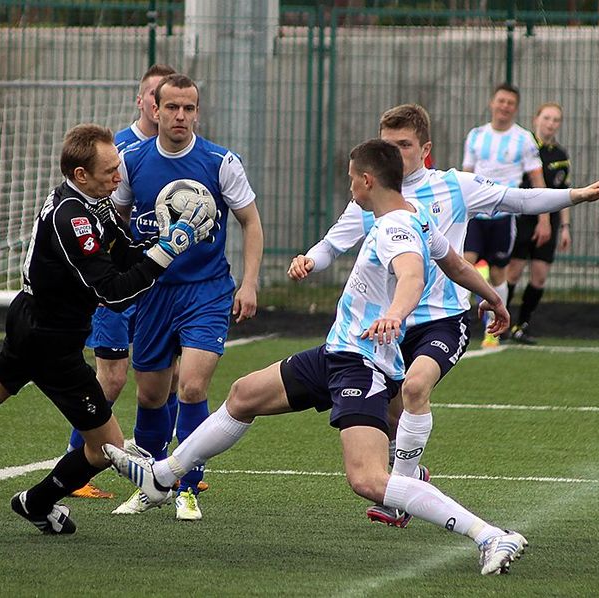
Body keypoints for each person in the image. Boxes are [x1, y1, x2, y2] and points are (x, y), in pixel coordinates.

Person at [103, 139, 527, 576]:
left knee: (368, 480)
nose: (349, 187)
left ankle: (490, 534)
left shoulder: (393, 227)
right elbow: (455, 265)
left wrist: (397, 315)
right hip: (337, 354)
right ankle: (163, 477)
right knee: (244, 394)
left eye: (350, 179)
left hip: (360, 365)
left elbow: (412, 275)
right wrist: (495, 299)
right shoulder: (413, 216)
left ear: (366, 180)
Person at [287, 104, 599, 527]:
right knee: (392, 412)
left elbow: (517, 198)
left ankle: (401, 490)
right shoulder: (369, 197)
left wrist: (576, 195)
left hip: (441, 320)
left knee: (415, 387)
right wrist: (308, 262)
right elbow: (331, 244)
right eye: (388, 145)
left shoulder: (454, 187)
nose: (395, 153)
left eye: (404, 145)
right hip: (385, 326)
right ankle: (410, 477)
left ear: (425, 148)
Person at [0, 124, 214, 534]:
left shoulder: (95, 201)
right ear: (80, 175)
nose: (118, 177)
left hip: (31, 320)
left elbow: (124, 252)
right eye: (110, 170)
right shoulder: (72, 217)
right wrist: (166, 252)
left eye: (118, 167)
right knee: (105, 448)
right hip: (52, 340)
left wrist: (163, 241)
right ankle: (37, 502)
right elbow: (114, 293)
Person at [109, 73, 264, 520]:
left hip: (207, 291)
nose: (181, 116)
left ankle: (188, 488)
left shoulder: (220, 161)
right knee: (152, 396)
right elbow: (116, 219)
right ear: (154, 109)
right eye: (172, 107)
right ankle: (149, 483)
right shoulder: (131, 160)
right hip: (154, 293)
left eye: (189, 108)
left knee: (193, 385)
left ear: (197, 111)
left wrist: (249, 283)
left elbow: (251, 223)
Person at [66, 64, 179, 500]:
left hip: (154, 287)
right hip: (116, 286)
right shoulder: (117, 152)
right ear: (143, 101)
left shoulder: (178, 153)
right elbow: (103, 222)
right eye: (153, 96)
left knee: (166, 378)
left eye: (165, 97)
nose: (159, 104)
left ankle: (164, 464)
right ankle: (77, 468)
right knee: (111, 380)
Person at [461, 83, 546, 349]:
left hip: (503, 217)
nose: (504, 106)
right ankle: (455, 322)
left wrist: (544, 218)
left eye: (510, 103)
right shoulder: (476, 135)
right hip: (475, 215)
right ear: (492, 103)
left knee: (499, 273)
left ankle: (493, 329)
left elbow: (536, 178)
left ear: (515, 107)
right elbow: (465, 175)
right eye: (501, 101)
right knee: (464, 265)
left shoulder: (523, 139)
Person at [506, 102, 571, 345]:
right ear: (536, 119)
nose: (551, 123)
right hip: (523, 217)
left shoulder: (560, 156)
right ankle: (502, 323)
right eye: (547, 118)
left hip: (550, 219)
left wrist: (564, 227)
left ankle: (521, 326)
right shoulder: (524, 146)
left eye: (556, 120)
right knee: (512, 271)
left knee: (540, 276)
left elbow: (564, 194)